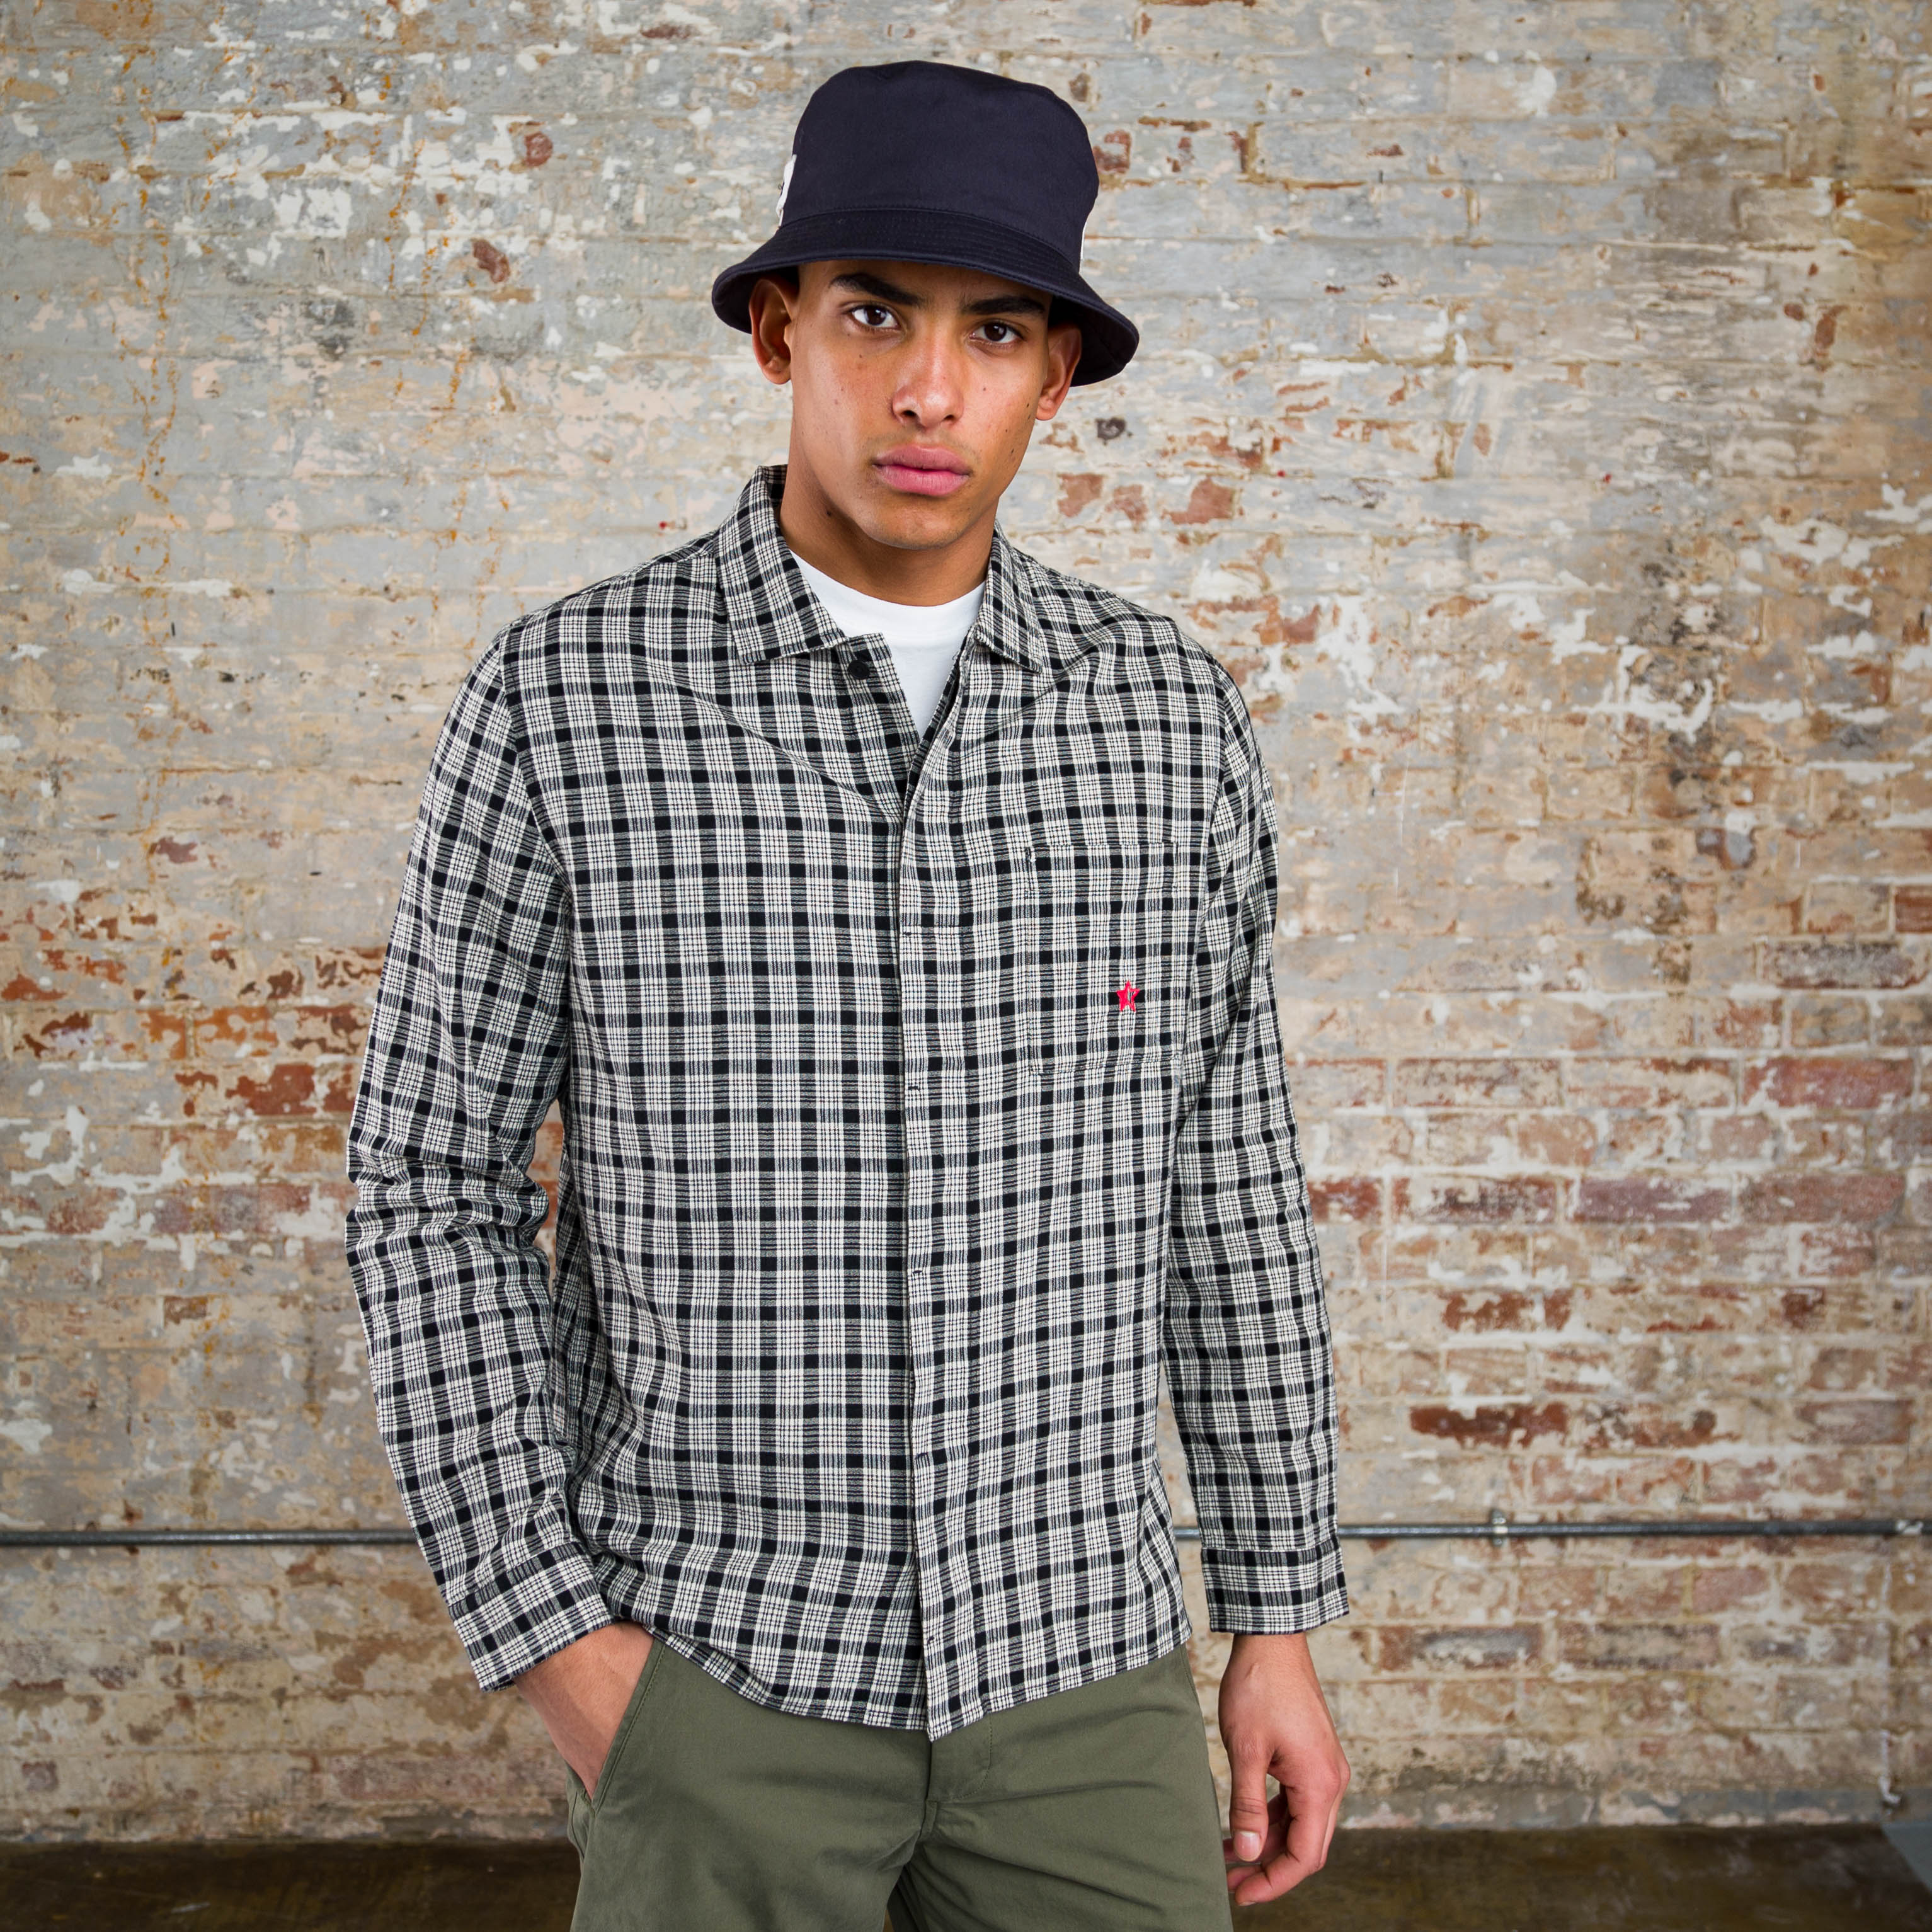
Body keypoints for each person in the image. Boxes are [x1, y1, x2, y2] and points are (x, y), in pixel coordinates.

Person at [345, 57, 1349, 1932]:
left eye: (996, 331)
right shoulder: (566, 702)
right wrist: (555, 1641)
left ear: (1057, 373)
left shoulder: (1164, 718)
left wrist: (1276, 1617)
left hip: (1080, 1663)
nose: (928, 390)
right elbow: (428, 1185)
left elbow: (1224, 1185)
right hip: (714, 1664)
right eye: (876, 313)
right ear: (777, 331)